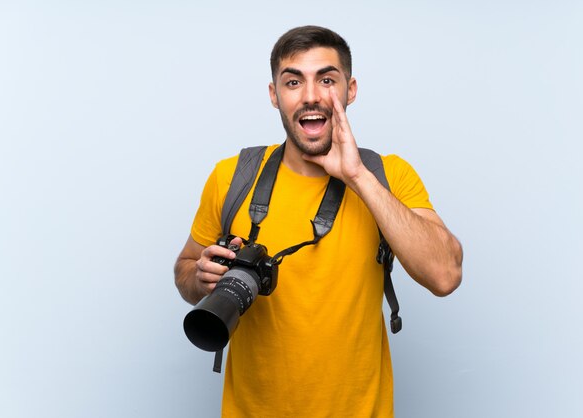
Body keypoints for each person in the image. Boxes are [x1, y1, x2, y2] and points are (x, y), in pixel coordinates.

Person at [174, 25, 463, 418]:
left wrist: (357, 176)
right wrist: (201, 276)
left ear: (351, 89)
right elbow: (186, 271)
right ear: (275, 95)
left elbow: (445, 275)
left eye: (327, 79)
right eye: (293, 81)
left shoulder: (387, 175)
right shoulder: (232, 177)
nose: (311, 95)